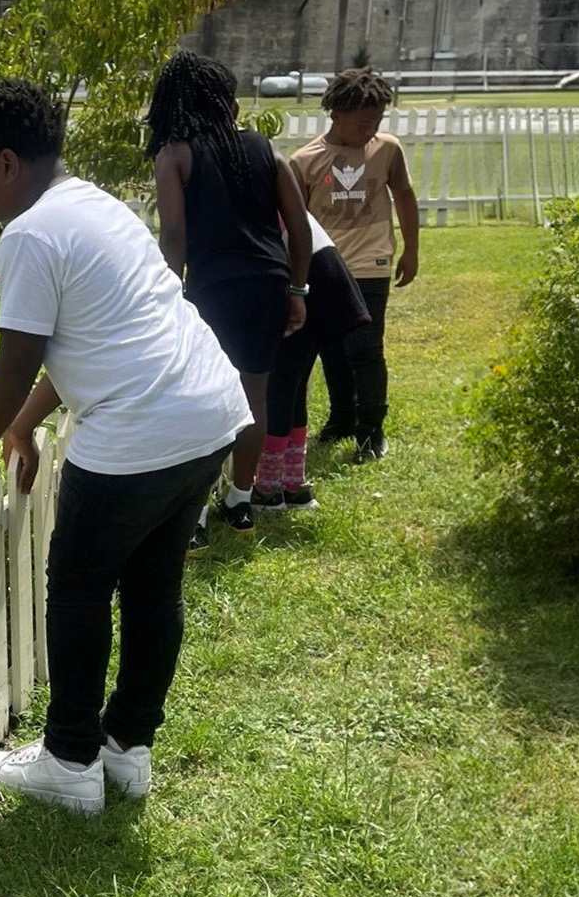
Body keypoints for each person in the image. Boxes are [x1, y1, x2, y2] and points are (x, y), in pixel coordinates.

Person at [0, 80, 250, 815]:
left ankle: (70, 761)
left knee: (77, 588)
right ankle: (127, 747)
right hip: (207, 412)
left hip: (140, 429)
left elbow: (16, 361)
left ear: (7, 164)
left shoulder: (31, 233)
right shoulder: (96, 206)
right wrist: (23, 423)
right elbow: (91, 336)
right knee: (152, 587)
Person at [147, 51, 311, 538]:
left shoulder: (174, 153)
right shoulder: (266, 149)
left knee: (201, 398)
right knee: (252, 396)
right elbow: (298, 231)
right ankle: (240, 502)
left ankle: (194, 516)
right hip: (269, 284)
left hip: (212, 289)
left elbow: (173, 236)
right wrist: (297, 290)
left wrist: (165, 299)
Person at [289, 66, 420, 462]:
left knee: (365, 348)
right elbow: (295, 225)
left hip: (371, 263)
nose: (371, 129)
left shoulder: (387, 149)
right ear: (335, 114)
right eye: (363, 122)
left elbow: (405, 196)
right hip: (326, 267)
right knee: (332, 348)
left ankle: (371, 431)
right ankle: (342, 417)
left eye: (378, 120)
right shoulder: (305, 161)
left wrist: (411, 249)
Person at [261, 215, 373, 510]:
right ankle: (293, 483)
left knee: (281, 387)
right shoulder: (269, 179)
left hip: (308, 278)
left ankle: (268, 487)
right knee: (294, 389)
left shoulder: (253, 188)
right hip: (323, 275)